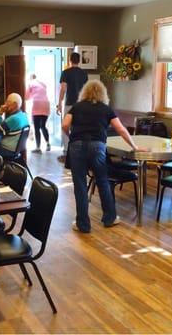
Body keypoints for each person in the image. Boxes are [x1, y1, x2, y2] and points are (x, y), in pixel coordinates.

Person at [62, 80, 137, 233]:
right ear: (103, 93)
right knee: (103, 181)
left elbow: (65, 124)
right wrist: (134, 146)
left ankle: (83, 224)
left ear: (84, 92)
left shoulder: (77, 107)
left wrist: (71, 136)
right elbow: (121, 129)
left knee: (80, 185)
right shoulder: (106, 109)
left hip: (77, 146)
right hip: (97, 146)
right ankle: (110, 218)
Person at [56, 52, 88, 163]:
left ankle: (66, 152)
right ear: (79, 60)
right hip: (82, 104)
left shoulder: (65, 73)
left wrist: (59, 103)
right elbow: (86, 89)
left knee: (66, 126)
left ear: (70, 60)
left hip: (69, 104)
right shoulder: (84, 73)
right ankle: (79, 151)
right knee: (79, 127)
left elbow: (63, 89)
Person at [0, 93, 30, 158]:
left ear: (14, 105)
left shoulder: (13, 119)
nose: (5, 104)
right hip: (16, 149)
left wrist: (0, 112)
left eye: (7, 102)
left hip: (7, 149)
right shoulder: (23, 115)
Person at [25, 74, 51, 153]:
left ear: (30, 78)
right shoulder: (43, 84)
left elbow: (26, 97)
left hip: (37, 104)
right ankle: (48, 144)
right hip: (46, 104)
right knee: (43, 126)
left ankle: (38, 148)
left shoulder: (30, 83)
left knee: (36, 128)